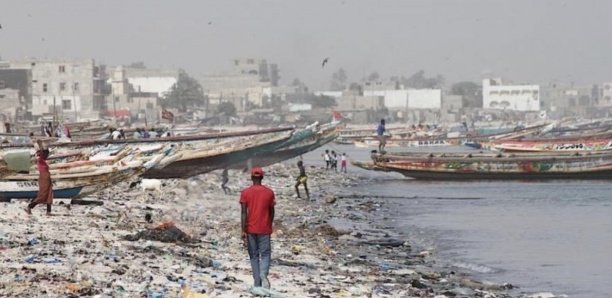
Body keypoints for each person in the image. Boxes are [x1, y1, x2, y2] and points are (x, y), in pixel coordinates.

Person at [240, 167, 275, 289]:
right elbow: (272, 211)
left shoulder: (245, 192)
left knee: (254, 256)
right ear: (262, 177)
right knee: (265, 254)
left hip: (250, 228)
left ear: (251, 177)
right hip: (264, 229)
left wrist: (243, 230)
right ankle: (263, 274)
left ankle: (257, 283)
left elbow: (244, 212)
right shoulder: (269, 192)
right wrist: (269, 224)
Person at [25, 141, 53, 215]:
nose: (47, 155)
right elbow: (42, 151)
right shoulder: (40, 159)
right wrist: (40, 144)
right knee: (43, 194)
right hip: (44, 177)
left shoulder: (42, 160)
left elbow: (44, 152)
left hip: (46, 177)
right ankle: (30, 206)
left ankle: (48, 211)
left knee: (49, 193)